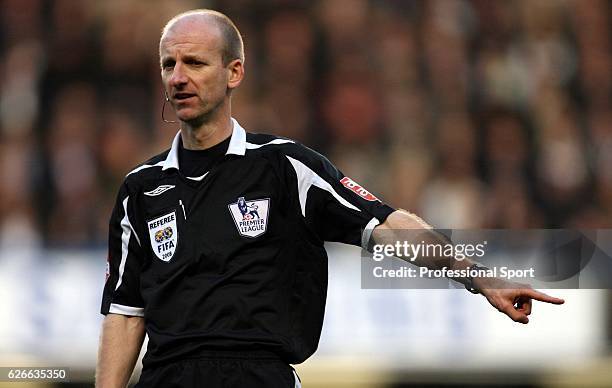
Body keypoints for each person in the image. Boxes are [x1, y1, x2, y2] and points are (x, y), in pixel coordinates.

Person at [96, 9, 564, 388]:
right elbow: (124, 312)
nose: (178, 77)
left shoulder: (284, 167)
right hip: (166, 379)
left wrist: (480, 278)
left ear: (234, 71)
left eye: (194, 63)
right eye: (168, 65)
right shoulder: (140, 189)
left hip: (259, 377)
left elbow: (385, 225)